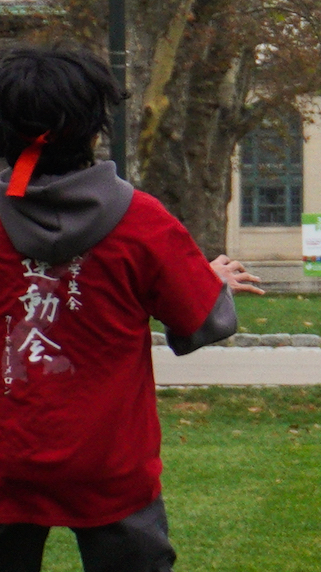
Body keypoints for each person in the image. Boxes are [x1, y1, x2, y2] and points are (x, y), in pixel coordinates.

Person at [0, 45, 261, 572]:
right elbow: (206, 321)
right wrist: (208, 280)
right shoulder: (142, 221)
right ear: (94, 126)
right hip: (110, 462)